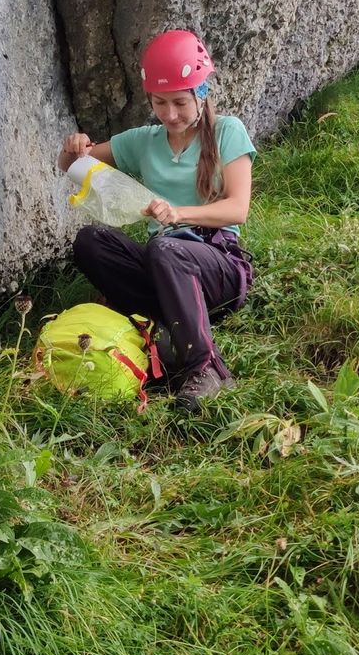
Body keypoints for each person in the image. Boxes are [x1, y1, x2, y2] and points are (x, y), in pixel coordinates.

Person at [59, 28, 254, 407]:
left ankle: (205, 367)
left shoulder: (228, 131)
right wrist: (72, 149)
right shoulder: (143, 141)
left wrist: (179, 214)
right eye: (160, 103)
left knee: (165, 249)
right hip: (162, 260)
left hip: (218, 265)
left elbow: (238, 208)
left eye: (180, 102)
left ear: (201, 93)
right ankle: (166, 323)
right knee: (90, 244)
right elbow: (73, 164)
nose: (170, 114)